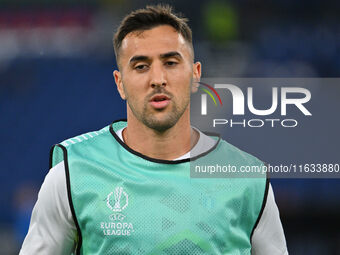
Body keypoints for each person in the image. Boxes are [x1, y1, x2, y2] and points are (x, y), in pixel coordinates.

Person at [20, 5, 288, 255]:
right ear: (120, 83)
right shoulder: (73, 173)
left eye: (171, 63)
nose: (158, 79)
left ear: (195, 75)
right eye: (141, 66)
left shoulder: (247, 179)